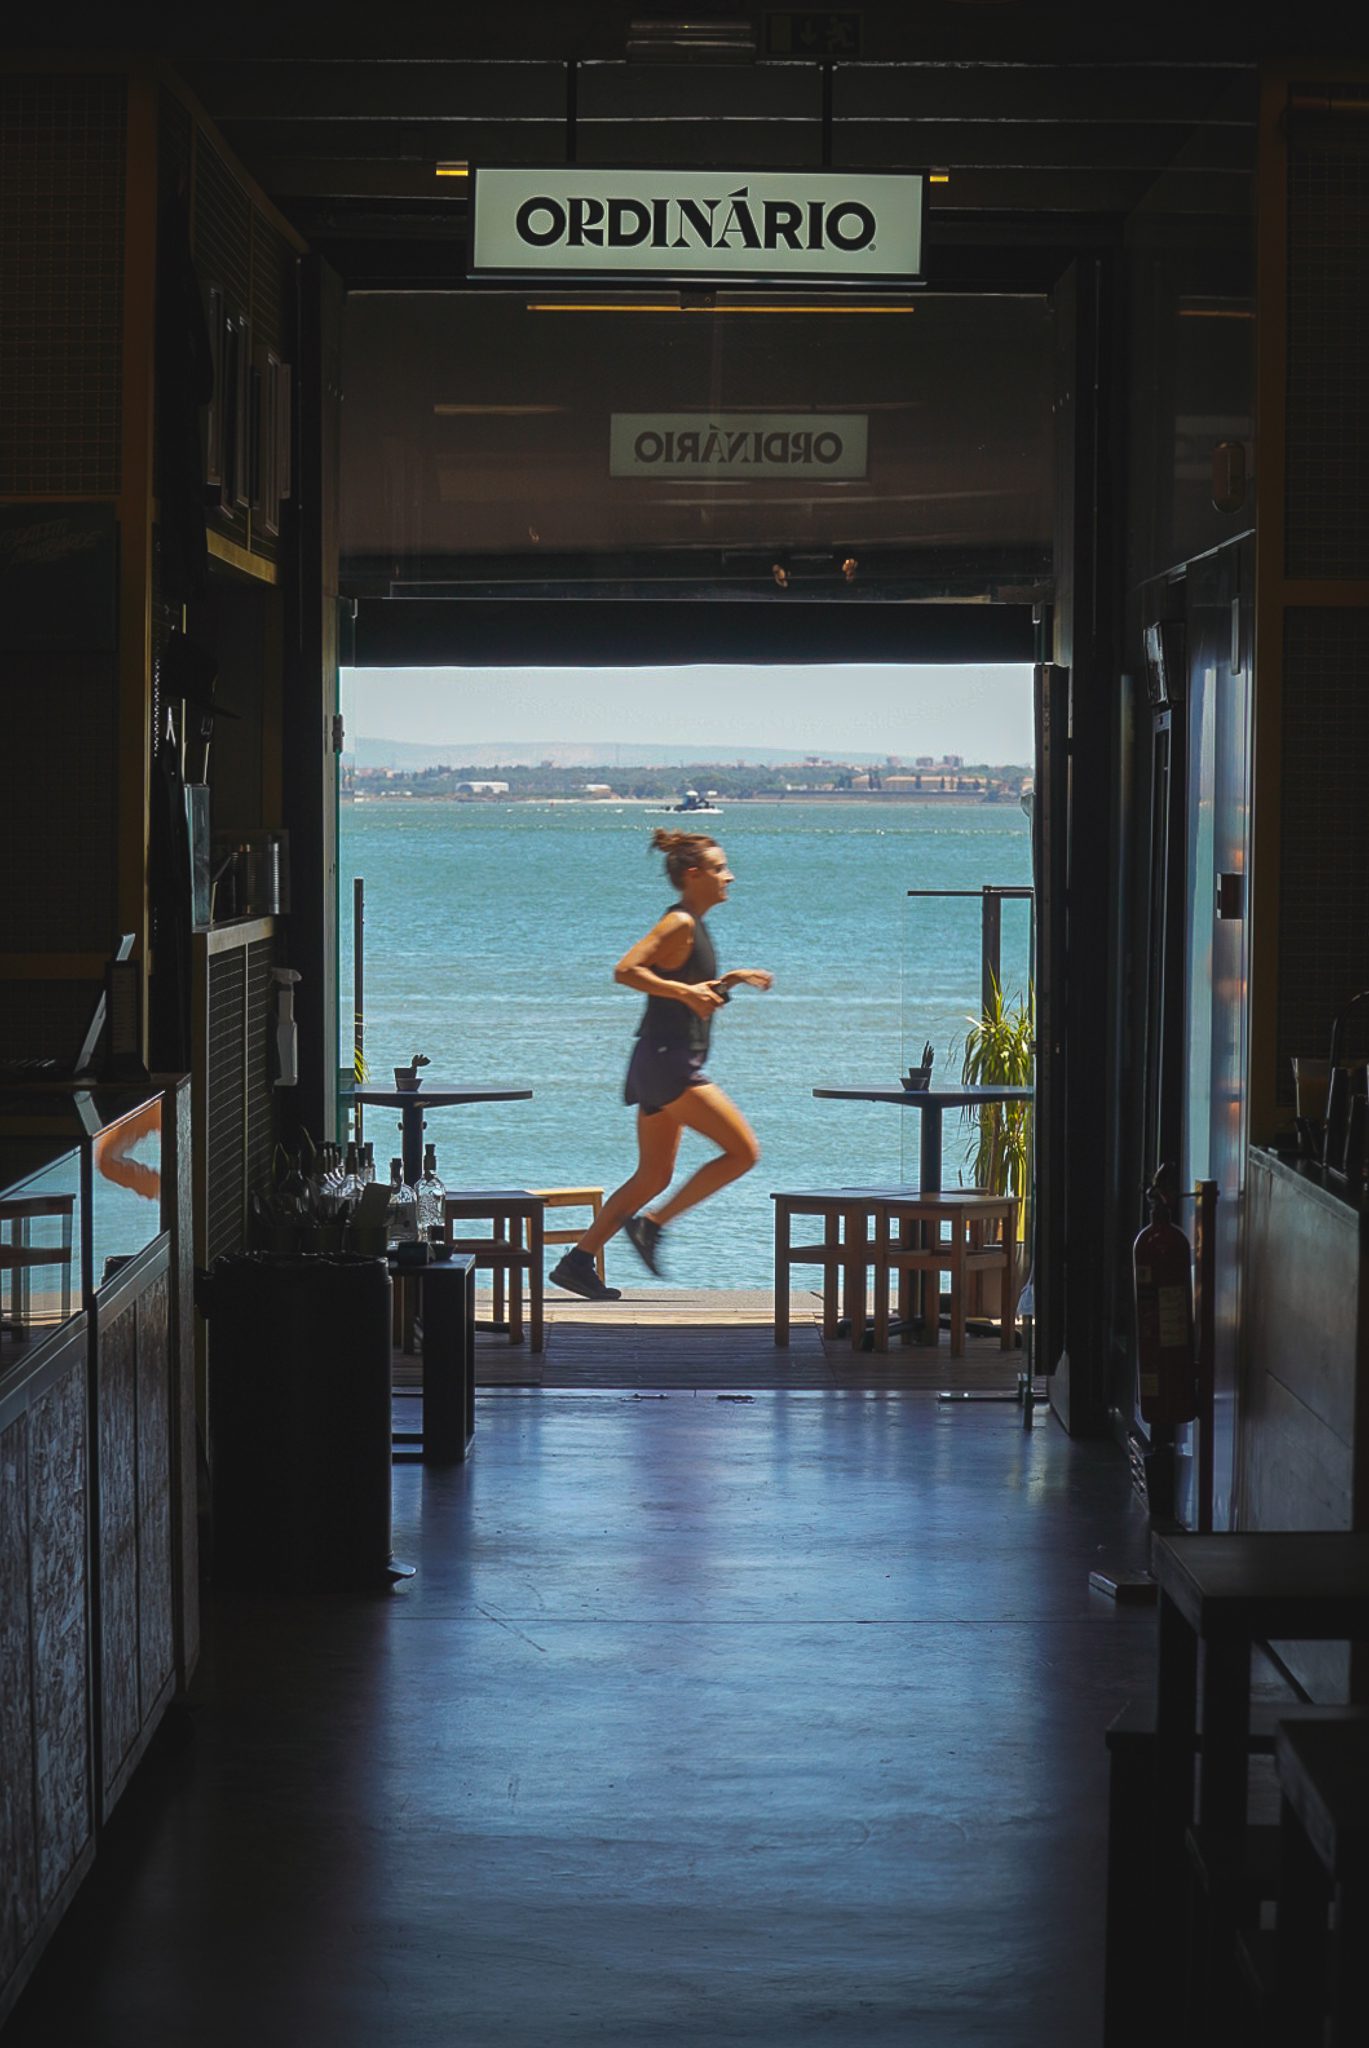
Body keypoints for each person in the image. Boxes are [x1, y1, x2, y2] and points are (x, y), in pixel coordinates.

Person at [549, 829, 773, 1300]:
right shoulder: (679, 924)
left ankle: (577, 1262)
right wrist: (687, 991)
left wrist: (726, 981)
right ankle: (651, 1226)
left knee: (653, 1175)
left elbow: (685, 994)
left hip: (657, 1061)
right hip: (671, 1066)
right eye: (718, 868)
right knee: (744, 1153)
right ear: (694, 875)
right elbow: (626, 969)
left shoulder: (692, 924)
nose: (728, 876)